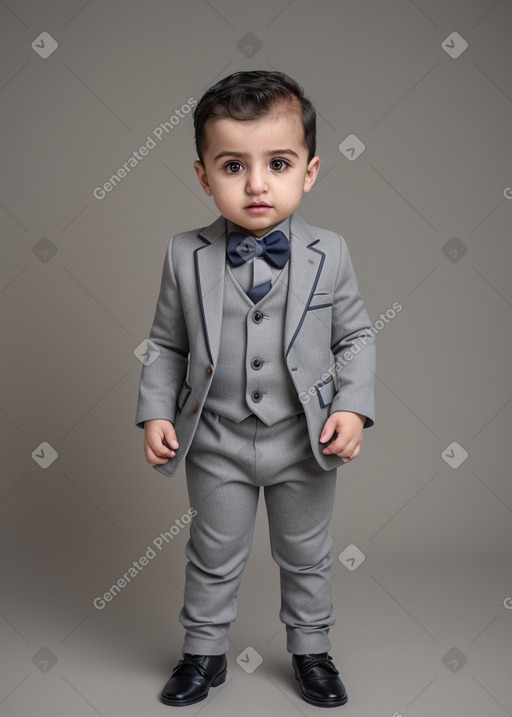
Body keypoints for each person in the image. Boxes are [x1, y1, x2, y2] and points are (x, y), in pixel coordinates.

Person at [135, 70, 375, 708]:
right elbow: (166, 344)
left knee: (306, 553)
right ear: (203, 175)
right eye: (233, 165)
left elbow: (356, 337)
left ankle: (312, 652)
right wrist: (155, 411)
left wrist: (352, 405)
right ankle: (202, 655)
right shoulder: (185, 254)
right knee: (213, 553)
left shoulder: (333, 251)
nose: (258, 183)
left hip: (304, 439)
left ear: (311, 170)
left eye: (278, 162)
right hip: (215, 438)